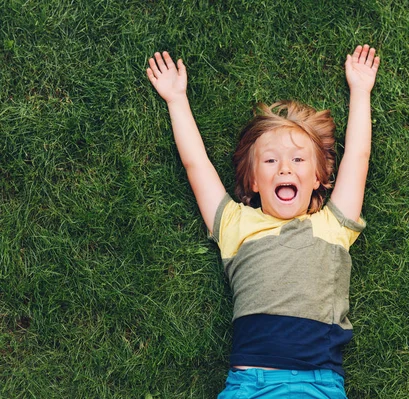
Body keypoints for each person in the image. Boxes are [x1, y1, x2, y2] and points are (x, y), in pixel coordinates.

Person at [147, 44, 380, 398]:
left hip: (316, 385)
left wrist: (361, 91)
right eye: (270, 161)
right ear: (254, 181)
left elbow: (358, 158)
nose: (285, 167)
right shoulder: (234, 225)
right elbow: (196, 165)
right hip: (247, 385)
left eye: (298, 160)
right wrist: (176, 99)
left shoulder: (334, 226)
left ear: (318, 177)